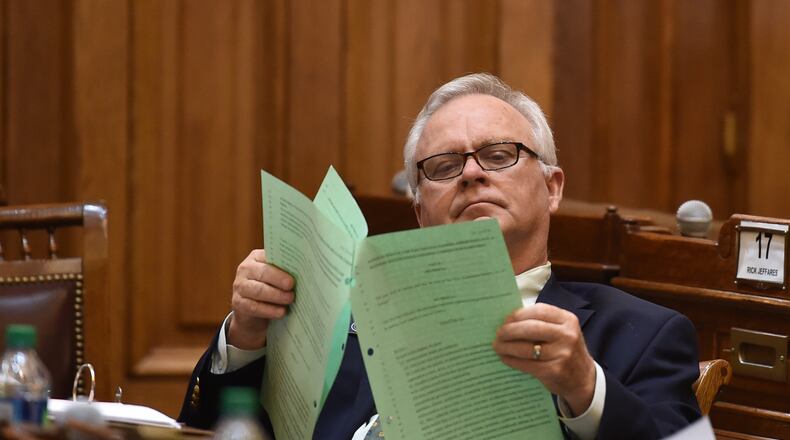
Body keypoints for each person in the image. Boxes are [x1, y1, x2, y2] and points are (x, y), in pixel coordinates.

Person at [179, 73, 701, 439]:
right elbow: (210, 432)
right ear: (420, 210)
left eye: (499, 156)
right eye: (445, 165)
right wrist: (245, 337)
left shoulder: (642, 334)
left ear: (552, 187)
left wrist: (586, 388)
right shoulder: (343, 319)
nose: (473, 174)